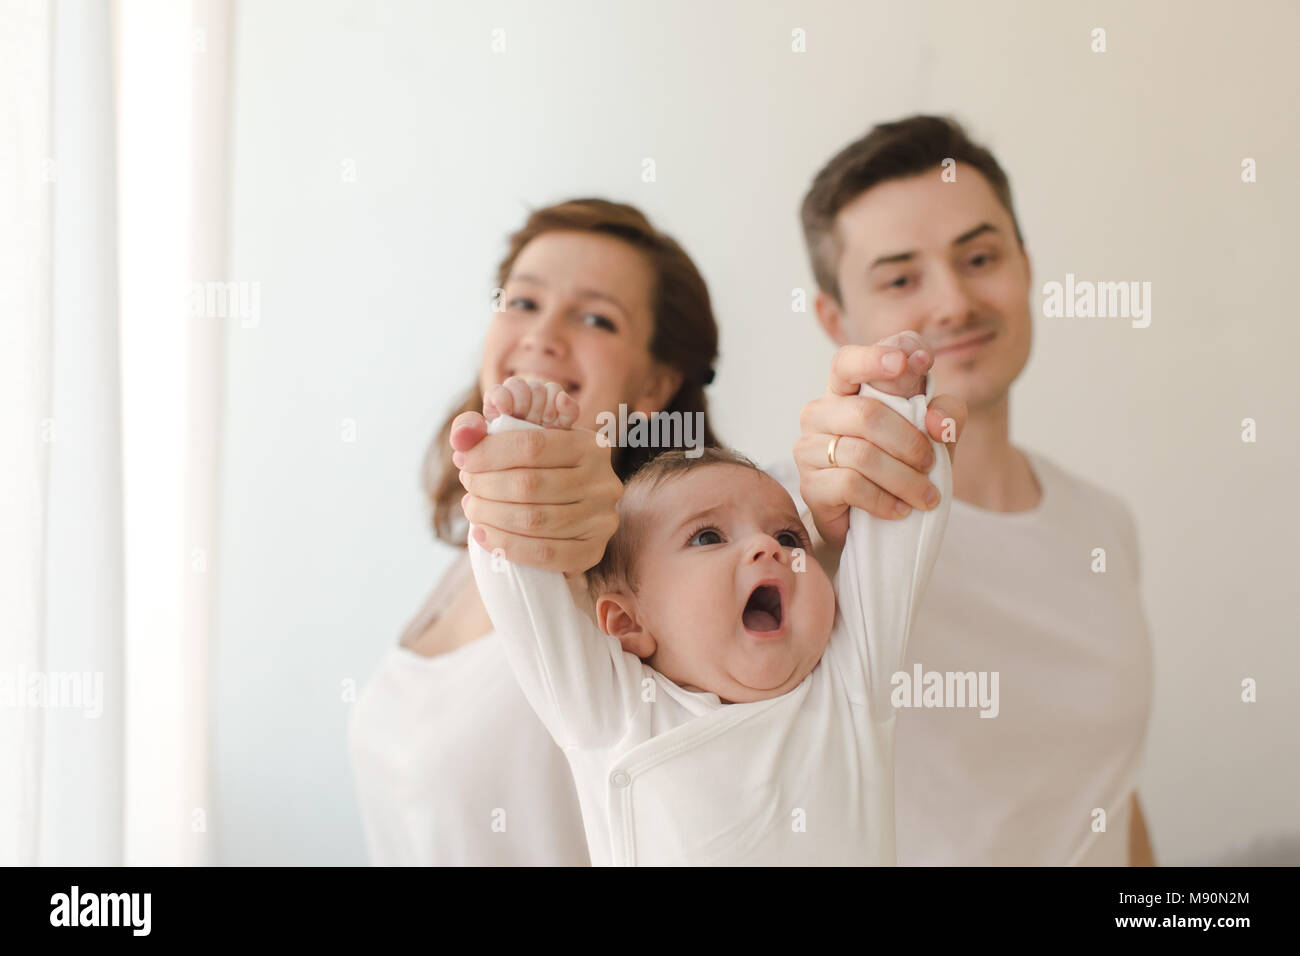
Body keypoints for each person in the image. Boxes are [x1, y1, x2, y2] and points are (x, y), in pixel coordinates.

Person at [785, 115, 1155, 865]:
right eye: (899, 278)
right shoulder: (788, 527)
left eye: (979, 257)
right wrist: (816, 540)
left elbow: (1107, 794)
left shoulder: (1103, 524)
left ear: (1025, 266)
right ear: (835, 320)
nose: (953, 302)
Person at [466, 347, 951, 865]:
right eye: (708, 537)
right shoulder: (617, 713)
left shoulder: (851, 685)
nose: (768, 549)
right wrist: (520, 448)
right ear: (628, 620)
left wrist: (893, 408)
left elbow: (899, 521)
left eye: (790, 536)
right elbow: (520, 569)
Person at [347, 199, 721, 865]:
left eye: (596, 318)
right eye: (522, 302)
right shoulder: (469, 555)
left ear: (654, 387)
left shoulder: (655, 584)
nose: (542, 335)